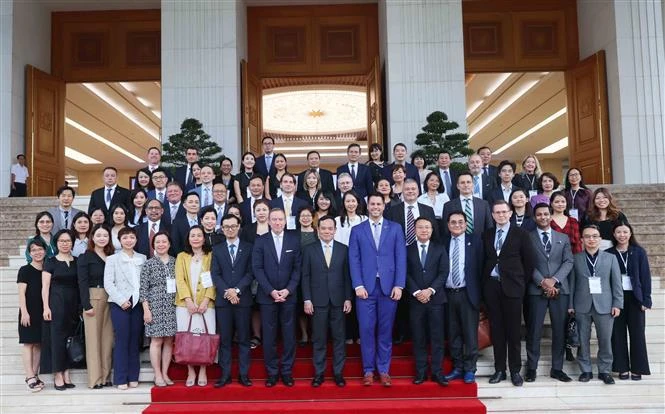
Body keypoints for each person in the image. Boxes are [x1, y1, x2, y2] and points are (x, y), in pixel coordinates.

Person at [349, 193, 406, 387]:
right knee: (365, 330)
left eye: (378, 204)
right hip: (365, 289)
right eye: (372, 204)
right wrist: (357, 285)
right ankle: (368, 370)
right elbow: (354, 259)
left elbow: (401, 258)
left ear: (383, 206)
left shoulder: (396, 228)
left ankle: (383, 370)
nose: (375, 207)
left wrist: (399, 285)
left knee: (385, 330)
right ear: (367, 206)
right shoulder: (357, 230)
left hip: (389, 288)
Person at [482, 200, 535, 387]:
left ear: (510, 213)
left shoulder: (521, 234)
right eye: (497, 212)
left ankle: (514, 371)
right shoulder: (487, 234)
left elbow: (529, 262)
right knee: (497, 331)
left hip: (513, 288)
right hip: (492, 287)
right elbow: (483, 260)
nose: (501, 215)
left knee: (513, 332)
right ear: (493, 215)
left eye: (504, 212)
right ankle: (499, 370)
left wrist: (520, 283)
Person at [252, 208, 302, 387]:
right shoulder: (260, 241)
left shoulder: (294, 240)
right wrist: (271, 291)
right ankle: (272, 372)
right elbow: (257, 269)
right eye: (274, 219)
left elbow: (298, 268)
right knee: (269, 336)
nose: (278, 223)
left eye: (281, 219)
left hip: (289, 296)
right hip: (267, 297)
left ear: (285, 221)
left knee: (289, 336)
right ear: (269, 221)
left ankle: (287, 371)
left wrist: (288, 290)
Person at [525, 203, 574, 383]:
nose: (543, 217)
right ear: (535, 217)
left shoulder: (563, 237)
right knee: (534, 330)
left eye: (546, 214)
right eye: (539, 214)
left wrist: (554, 280)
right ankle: (531, 368)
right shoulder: (527, 238)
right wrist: (542, 281)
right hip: (536, 290)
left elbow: (569, 262)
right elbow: (527, 262)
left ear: (550, 215)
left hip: (560, 289)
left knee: (559, 331)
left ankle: (557, 368)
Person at [569, 225, 623, 384]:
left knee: (605, 340)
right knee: (583, 340)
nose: (591, 239)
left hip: (605, 305)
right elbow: (572, 284)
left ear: (600, 239)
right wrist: (570, 304)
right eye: (587, 236)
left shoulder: (611, 258)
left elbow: (616, 283)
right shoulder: (576, 258)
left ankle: (604, 370)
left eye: (594, 236)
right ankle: (585, 370)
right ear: (582, 240)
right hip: (581, 305)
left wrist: (617, 304)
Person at [302, 216, 352, 388]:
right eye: (323, 228)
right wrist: (307, 299)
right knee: (319, 339)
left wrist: (348, 298)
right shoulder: (309, 250)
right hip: (317, 301)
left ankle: (338, 373)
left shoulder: (344, 249)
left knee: (339, 339)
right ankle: (319, 373)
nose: (327, 231)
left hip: (339, 300)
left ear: (335, 230)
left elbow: (347, 277)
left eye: (330, 228)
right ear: (318, 230)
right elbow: (305, 277)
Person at [211, 214, 254, 387]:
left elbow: (251, 273)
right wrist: (228, 292)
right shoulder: (217, 248)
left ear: (238, 227)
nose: (230, 229)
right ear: (222, 229)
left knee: (244, 339)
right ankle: (225, 375)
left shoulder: (249, 247)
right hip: (223, 302)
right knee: (225, 340)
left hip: (243, 300)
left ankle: (243, 375)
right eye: (226, 226)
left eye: (233, 226)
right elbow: (215, 274)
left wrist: (236, 291)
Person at [406, 217, 448, 386]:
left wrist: (430, 290)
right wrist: (417, 292)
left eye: (427, 227)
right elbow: (405, 273)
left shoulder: (440, 248)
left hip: (435, 299)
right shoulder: (407, 250)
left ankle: (437, 372)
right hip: (415, 301)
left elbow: (443, 272)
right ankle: (421, 372)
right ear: (414, 230)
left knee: (437, 338)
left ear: (432, 230)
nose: (424, 230)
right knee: (419, 337)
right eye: (420, 227)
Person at [607, 222, 651, 381]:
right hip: (616, 298)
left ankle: (638, 368)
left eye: (625, 232)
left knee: (637, 333)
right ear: (614, 234)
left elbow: (645, 277)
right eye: (618, 232)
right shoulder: (608, 253)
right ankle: (621, 368)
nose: (622, 235)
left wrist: (646, 299)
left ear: (630, 234)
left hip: (635, 298)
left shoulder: (639, 252)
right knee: (617, 333)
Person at [443, 212, 483, 384]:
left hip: (468, 294)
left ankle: (470, 369)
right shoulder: (443, 242)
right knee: (453, 334)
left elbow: (481, 268)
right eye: (453, 222)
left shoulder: (475, 241)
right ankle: (457, 367)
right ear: (448, 225)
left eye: (461, 222)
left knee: (470, 335)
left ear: (466, 224)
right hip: (448, 294)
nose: (457, 225)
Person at [104, 227, 146, 390]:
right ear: (120, 241)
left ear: (136, 240)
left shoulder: (142, 258)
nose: (129, 240)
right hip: (120, 303)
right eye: (125, 238)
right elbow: (108, 283)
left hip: (138, 304)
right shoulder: (112, 259)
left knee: (135, 340)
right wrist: (121, 300)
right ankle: (120, 378)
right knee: (122, 340)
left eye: (131, 237)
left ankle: (133, 375)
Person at [175, 225, 216, 387]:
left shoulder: (211, 256)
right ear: (188, 238)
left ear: (204, 238)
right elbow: (179, 280)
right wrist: (188, 301)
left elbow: (213, 278)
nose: (196, 238)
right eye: (193, 235)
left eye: (199, 235)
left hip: (206, 303)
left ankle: (204, 370)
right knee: (187, 337)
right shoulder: (181, 257)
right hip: (185, 305)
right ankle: (190, 370)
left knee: (205, 336)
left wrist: (206, 299)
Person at [41, 229, 79, 390]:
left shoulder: (77, 260)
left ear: (72, 243)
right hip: (56, 303)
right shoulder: (50, 261)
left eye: (68, 241)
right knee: (57, 339)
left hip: (73, 305)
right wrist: (46, 307)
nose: (65, 244)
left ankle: (66, 372)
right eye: (62, 241)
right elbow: (45, 287)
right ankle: (58, 374)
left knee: (69, 339)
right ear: (56, 243)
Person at [77, 224, 114, 389]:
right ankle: (95, 379)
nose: (102, 238)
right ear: (93, 237)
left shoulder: (111, 256)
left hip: (111, 298)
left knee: (107, 339)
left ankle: (105, 377)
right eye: (98, 235)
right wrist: (86, 305)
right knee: (93, 340)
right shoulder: (86, 256)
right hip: (94, 298)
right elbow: (82, 282)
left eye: (105, 235)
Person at [139, 231, 177, 387]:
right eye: (157, 242)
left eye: (164, 242)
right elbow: (143, 289)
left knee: (169, 340)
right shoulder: (148, 263)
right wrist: (146, 310)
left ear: (169, 244)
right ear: (153, 245)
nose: (161, 244)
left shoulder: (176, 261)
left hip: (172, 306)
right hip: (154, 306)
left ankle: (166, 373)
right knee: (156, 341)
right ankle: (157, 374)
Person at [18, 239, 46, 392]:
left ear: (45, 251)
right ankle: (29, 376)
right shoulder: (25, 270)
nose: (37, 252)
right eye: (34, 250)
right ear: (29, 253)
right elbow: (21, 293)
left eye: (40, 249)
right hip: (28, 312)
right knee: (28, 343)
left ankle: (35, 374)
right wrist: (24, 312)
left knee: (39, 343)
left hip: (43, 311)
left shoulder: (47, 269)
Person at [442, 172, 493, 238]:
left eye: (468, 182)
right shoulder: (448, 206)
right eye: (462, 183)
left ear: (473, 185)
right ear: (458, 186)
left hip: (480, 244)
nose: (466, 185)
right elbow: (446, 229)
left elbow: (489, 227)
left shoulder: (483, 204)